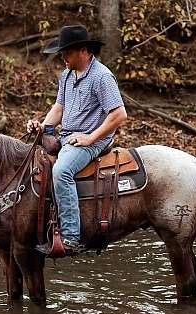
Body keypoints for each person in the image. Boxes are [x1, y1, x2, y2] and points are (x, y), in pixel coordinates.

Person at [27, 25, 127, 255]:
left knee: (61, 171)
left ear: (84, 51)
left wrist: (90, 137)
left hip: (91, 140)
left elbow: (119, 114)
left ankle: (71, 237)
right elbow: (59, 107)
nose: (62, 57)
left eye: (67, 52)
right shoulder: (67, 74)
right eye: (62, 53)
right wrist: (43, 126)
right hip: (67, 135)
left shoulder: (102, 77)